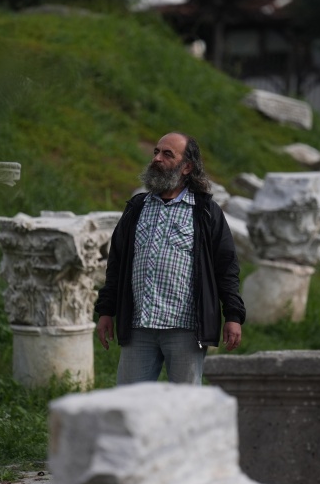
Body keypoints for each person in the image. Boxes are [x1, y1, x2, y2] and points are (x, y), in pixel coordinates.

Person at [94, 131, 245, 385]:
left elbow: (226, 266)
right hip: (138, 326)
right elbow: (116, 264)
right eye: (156, 152)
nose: (156, 158)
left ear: (187, 167)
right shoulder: (137, 208)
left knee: (184, 408)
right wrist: (106, 310)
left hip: (185, 329)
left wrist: (233, 315)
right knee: (129, 406)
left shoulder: (205, 211)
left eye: (167, 154)